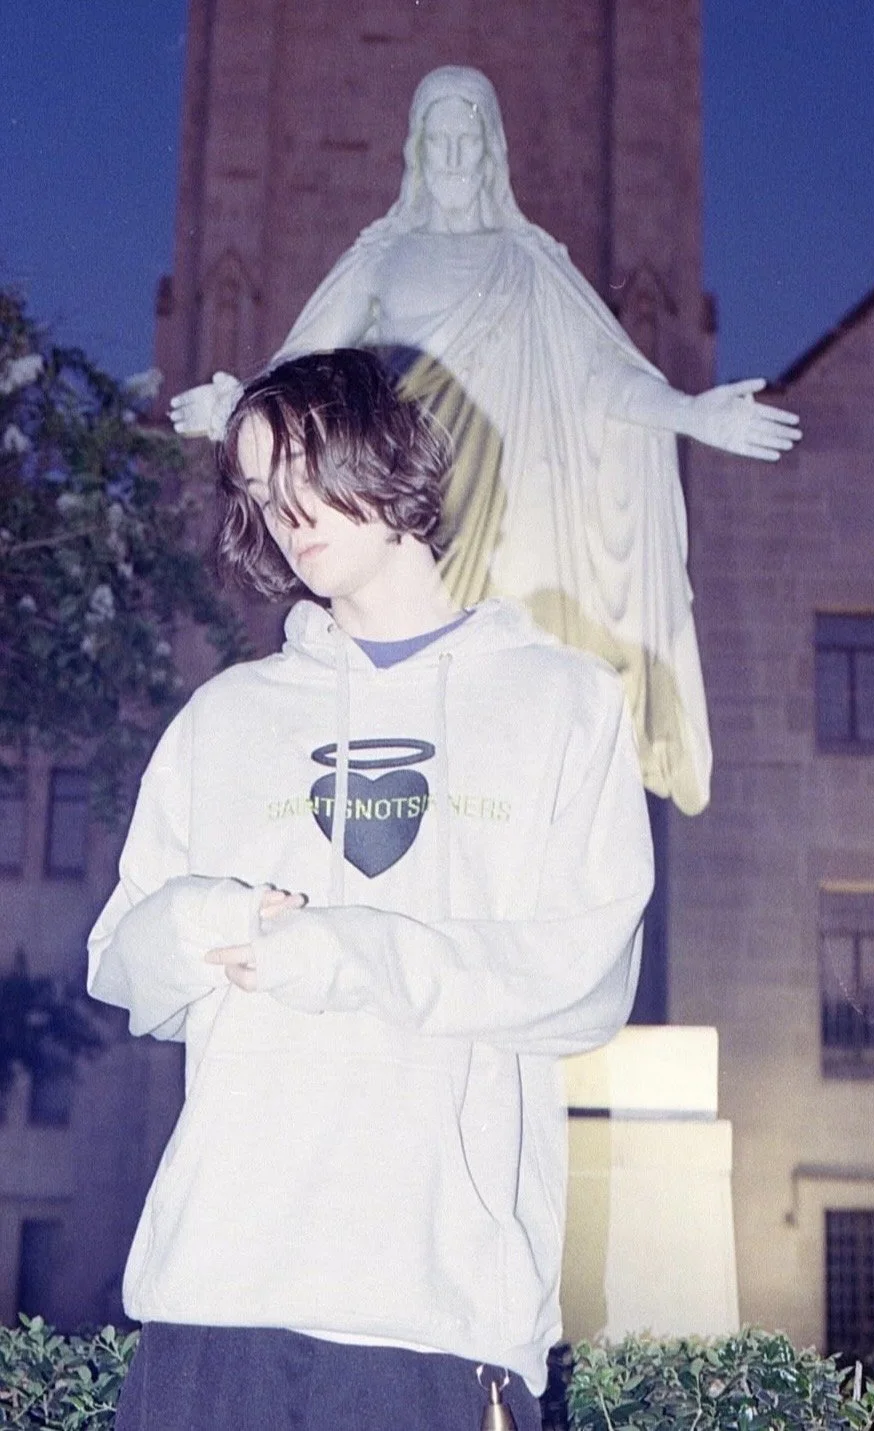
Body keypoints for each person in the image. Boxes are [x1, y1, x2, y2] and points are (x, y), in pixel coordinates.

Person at [89, 348, 653, 1430]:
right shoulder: (225, 718)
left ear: (389, 450)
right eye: (260, 490)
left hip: (433, 1317)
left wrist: (353, 957)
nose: (286, 511)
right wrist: (205, 918)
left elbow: (585, 982)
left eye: (303, 467)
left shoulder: (559, 704)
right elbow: (122, 967)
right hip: (215, 1293)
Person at [172, 65, 801, 817]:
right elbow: (302, 369)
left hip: (516, 508)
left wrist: (693, 415)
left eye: (465, 136)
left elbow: (601, 380)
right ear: (416, 149)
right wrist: (237, 403)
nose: (450, 153)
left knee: (500, 684)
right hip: (410, 500)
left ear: (489, 148)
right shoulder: (382, 256)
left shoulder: (531, 264)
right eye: (436, 137)